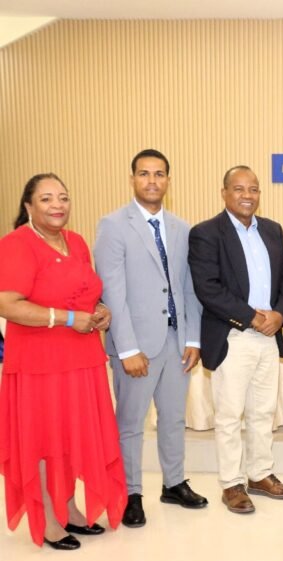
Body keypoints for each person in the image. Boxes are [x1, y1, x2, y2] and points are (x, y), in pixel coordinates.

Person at [0, 173, 125, 549]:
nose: (57, 205)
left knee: (71, 436)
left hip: (82, 358)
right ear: (28, 206)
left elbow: (85, 292)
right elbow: (7, 304)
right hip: (40, 363)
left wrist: (100, 309)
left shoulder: (77, 242)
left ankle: (69, 508)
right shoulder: (16, 244)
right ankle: (49, 521)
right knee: (43, 438)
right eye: (46, 199)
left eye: (63, 198)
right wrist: (68, 319)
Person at [93, 149, 208, 529]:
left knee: (174, 419)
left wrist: (193, 339)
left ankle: (173, 483)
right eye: (144, 174)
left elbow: (188, 288)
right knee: (130, 423)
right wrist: (127, 348)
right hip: (136, 346)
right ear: (132, 179)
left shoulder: (181, 228)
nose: (152, 181)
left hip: (176, 342)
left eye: (159, 174)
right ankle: (130, 493)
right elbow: (112, 292)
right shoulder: (113, 225)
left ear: (168, 181)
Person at [188, 166, 283, 514]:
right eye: (239, 189)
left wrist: (279, 315)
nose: (247, 195)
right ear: (224, 193)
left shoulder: (272, 230)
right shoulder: (206, 233)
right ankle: (232, 483)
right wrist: (251, 317)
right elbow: (207, 288)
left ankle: (260, 474)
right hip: (232, 335)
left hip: (269, 336)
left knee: (263, 411)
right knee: (230, 414)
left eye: (253, 189)